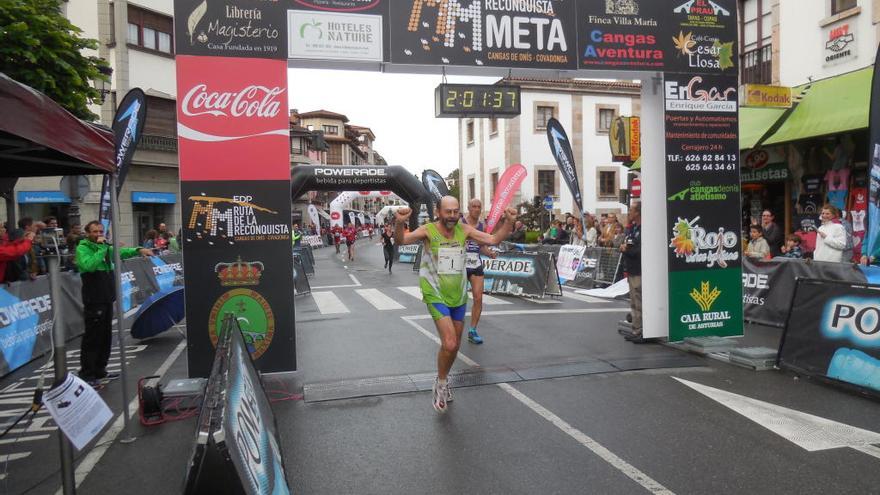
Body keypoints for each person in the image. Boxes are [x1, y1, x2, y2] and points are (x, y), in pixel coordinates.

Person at [394, 197, 516, 413]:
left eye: (455, 212)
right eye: (448, 212)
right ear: (438, 211)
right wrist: (399, 223)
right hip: (435, 292)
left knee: (455, 346)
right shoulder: (428, 230)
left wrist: (508, 222)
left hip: (458, 295)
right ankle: (441, 384)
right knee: (449, 343)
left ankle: (444, 378)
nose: (452, 216)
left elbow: (494, 239)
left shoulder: (465, 230)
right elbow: (402, 240)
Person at [76, 221, 152, 386]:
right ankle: (87, 374)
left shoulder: (104, 249)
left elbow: (121, 252)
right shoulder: (83, 248)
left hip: (106, 298)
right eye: (95, 231)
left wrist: (139, 249)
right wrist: (102, 249)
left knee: (105, 336)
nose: (98, 234)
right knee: (93, 338)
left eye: (100, 231)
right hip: (94, 300)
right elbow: (89, 266)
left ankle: (100, 370)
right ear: (87, 233)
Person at [461, 198, 499, 345]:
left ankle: (472, 330)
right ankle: (454, 325)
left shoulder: (481, 226)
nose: (477, 209)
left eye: (479, 207)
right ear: (469, 208)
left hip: (475, 264)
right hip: (461, 264)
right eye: (474, 206)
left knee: (478, 298)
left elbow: (482, 246)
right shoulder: (460, 223)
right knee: (459, 298)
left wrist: (489, 253)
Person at [620, 205, 645, 343]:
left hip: (639, 269)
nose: (629, 212)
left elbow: (639, 250)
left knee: (639, 301)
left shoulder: (643, 229)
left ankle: (642, 331)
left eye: (631, 210)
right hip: (631, 268)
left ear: (637, 212)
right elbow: (628, 244)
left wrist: (626, 249)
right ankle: (636, 329)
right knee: (634, 302)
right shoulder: (633, 228)